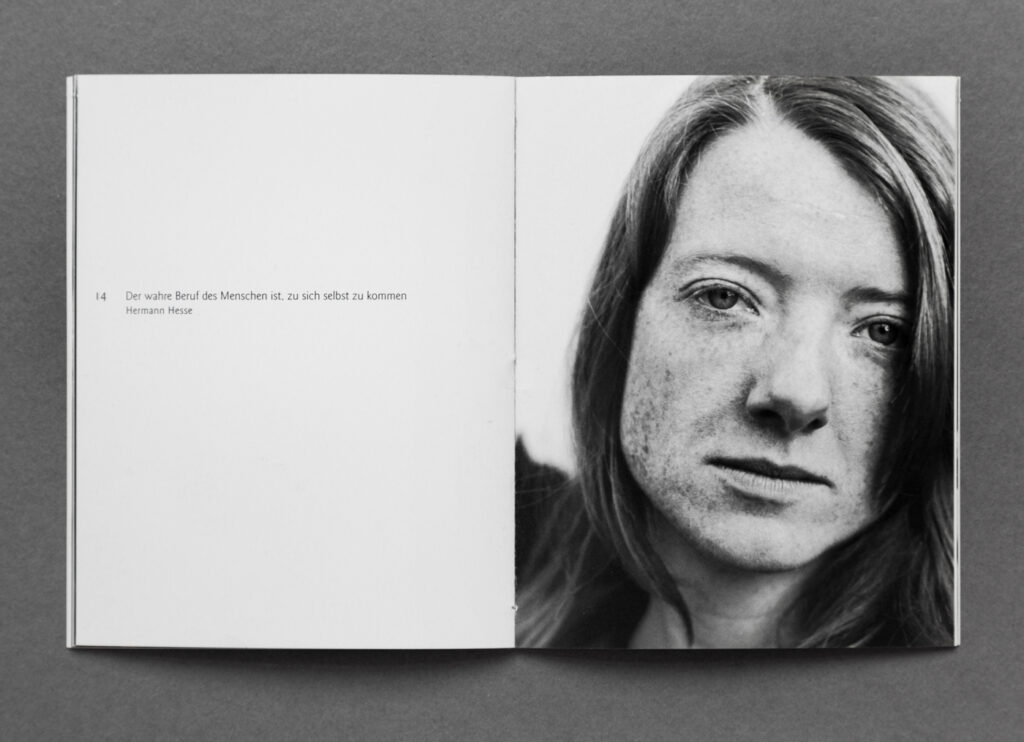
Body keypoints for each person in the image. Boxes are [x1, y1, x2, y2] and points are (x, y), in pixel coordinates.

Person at [516, 76, 955, 649]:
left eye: (884, 331)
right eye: (725, 297)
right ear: (623, 317)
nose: (797, 392)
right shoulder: (484, 586)